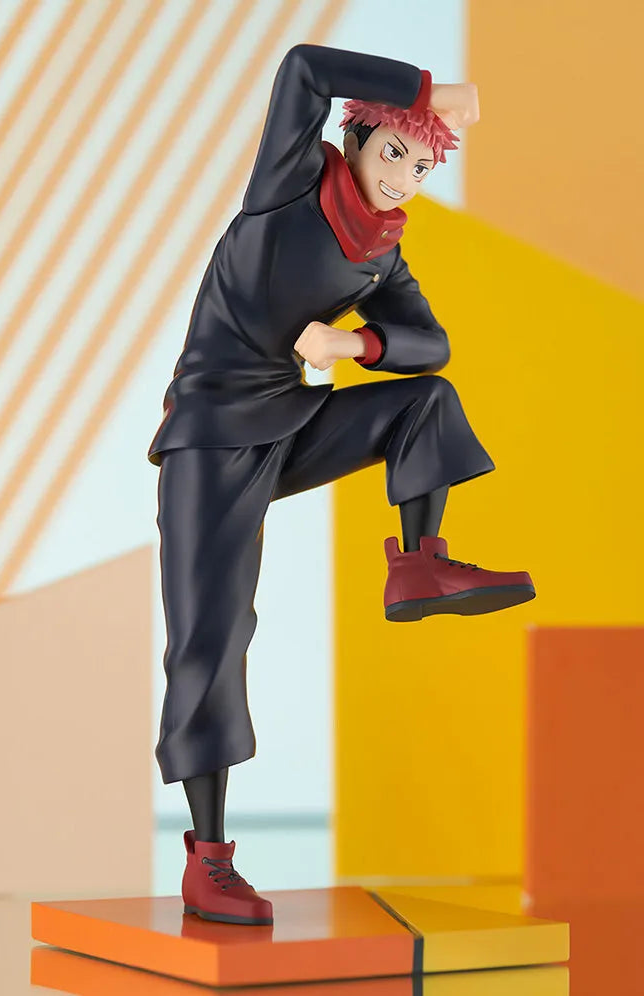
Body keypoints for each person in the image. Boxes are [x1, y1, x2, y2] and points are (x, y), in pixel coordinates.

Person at [148, 43, 535, 926]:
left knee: (426, 399)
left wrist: (351, 343)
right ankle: (208, 862)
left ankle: (420, 562)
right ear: (355, 139)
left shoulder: (381, 256)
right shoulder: (288, 184)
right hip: (210, 439)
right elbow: (302, 68)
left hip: (290, 423)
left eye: (424, 167)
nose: (404, 177)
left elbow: (431, 344)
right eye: (396, 151)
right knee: (211, 638)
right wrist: (434, 92)